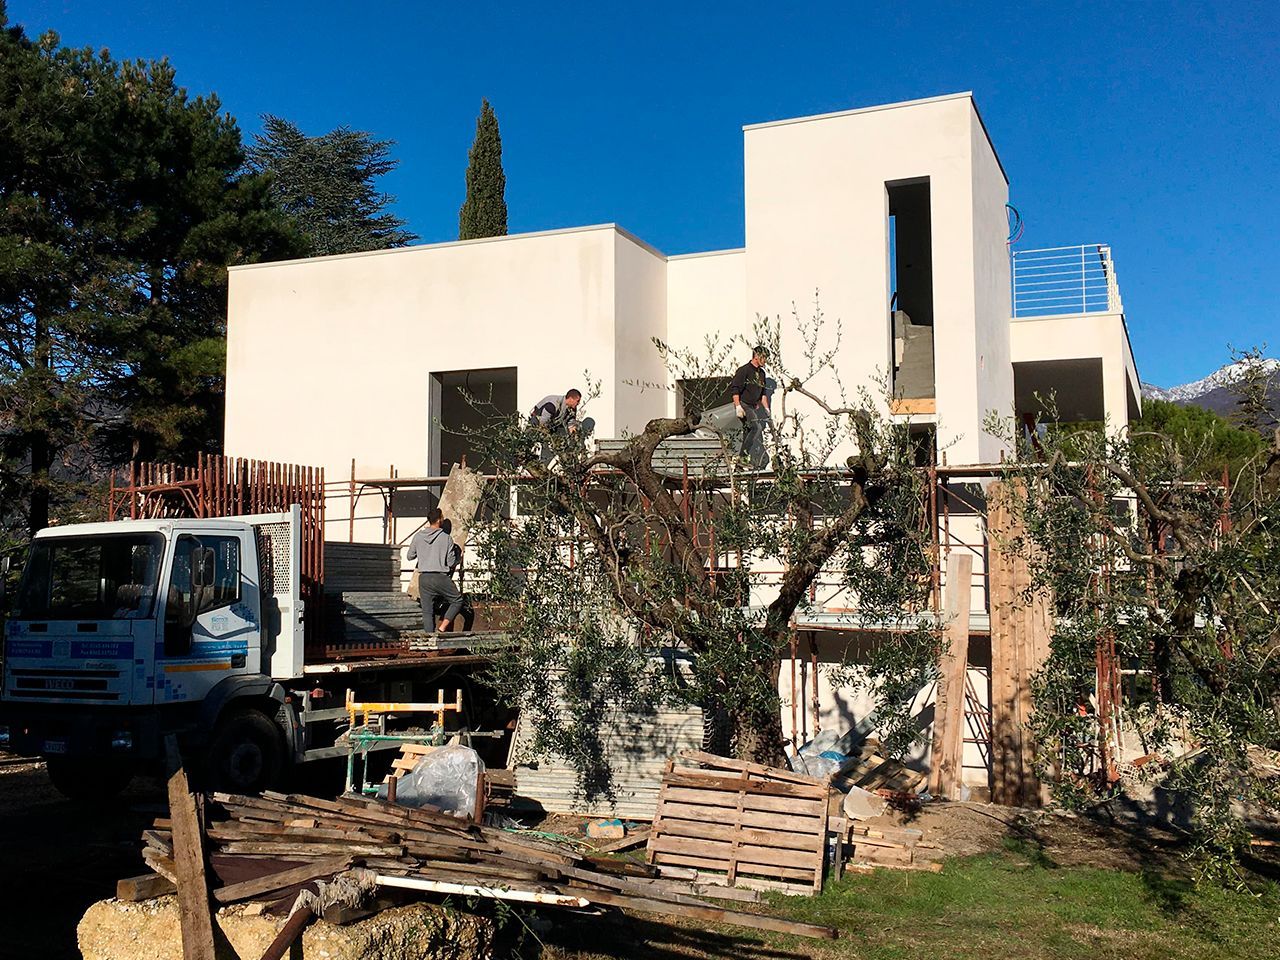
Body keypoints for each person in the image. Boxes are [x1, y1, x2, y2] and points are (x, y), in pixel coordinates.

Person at [406, 508, 464, 633]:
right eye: (442, 517)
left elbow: (410, 556)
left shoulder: (418, 536)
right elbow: (450, 562)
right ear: (439, 520)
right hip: (440, 577)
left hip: (424, 578)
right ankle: (442, 627)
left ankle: (429, 641)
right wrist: (458, 556)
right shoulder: (446, 538)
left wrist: (423, 553)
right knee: (457, 600)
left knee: (427, 611)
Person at [730, 346, 771, 468]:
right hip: (744, 405)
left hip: (753, 407)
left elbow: (763, 394)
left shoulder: (762, 374)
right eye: (764, 357)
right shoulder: (744, 370)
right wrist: (738, 406)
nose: (765, 360)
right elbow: (735, 389)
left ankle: (739, 466)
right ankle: (742, 457)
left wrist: (767, 409)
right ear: (757, 356)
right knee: (756, 428)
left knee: (748, 431)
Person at [529, 388, 583, 463]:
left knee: (559, 445)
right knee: (528, 443)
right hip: (537, 422)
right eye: (577, 401)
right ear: (570, 399)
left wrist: (573, 431)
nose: (578, 403)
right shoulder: (552, 404)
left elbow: (571, 421)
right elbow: (543, 422)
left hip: (552, 425)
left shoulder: (572, 409)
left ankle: (544, 464)